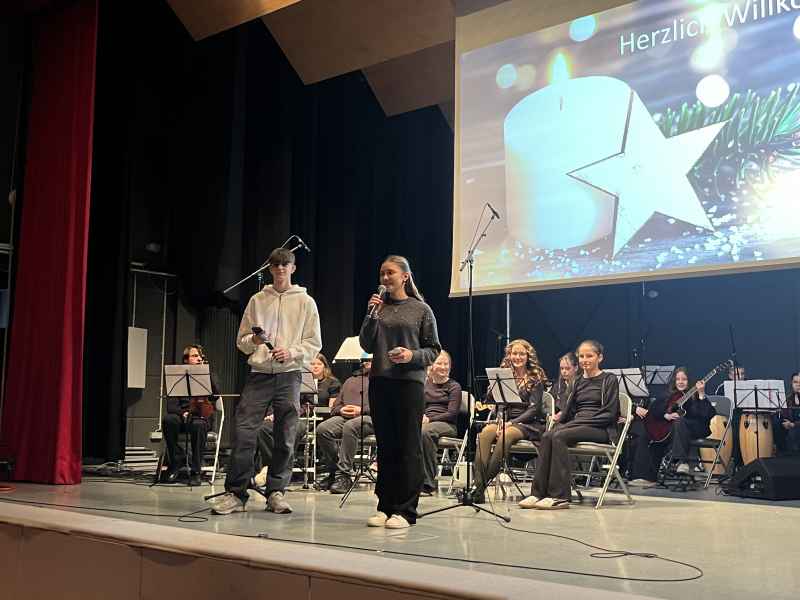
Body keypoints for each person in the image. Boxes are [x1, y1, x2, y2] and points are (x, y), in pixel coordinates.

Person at [208, 247, 321, 515]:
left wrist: (291, 352)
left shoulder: (306, 302)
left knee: (285, 435)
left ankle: (276, 492)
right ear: (269, 269)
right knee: (244, 432)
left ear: (293, 268)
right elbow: (242, 342)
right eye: (276, 265)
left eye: (285, 264)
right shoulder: (257, 300)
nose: (280, 269)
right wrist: (255, 340)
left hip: (289, 375)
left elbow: (314, 343)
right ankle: (236, 493)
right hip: (259, 374)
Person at [359, 255, 440, 529]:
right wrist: (371, 314)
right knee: (386, 446)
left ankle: (406, 510)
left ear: (405, 276)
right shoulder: (377, 307)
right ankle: (385, 505)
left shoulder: (421, 309)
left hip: (409, 384)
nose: (385, 278)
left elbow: (434, 350)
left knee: (407, 447)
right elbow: (366, 344)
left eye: (390, 273)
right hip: (380, 381)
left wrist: (410, 355)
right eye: (382, 273)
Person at [519, 339, 619, 510]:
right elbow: (568, 411)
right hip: (577, 425)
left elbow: (609, 414)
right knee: (547, 435)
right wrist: (561, 421)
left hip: (600, 428)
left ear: (600, 357)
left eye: (589, 356)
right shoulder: (577, 381)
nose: (585, 360)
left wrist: (573, 424)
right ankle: (537, 493)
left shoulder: (609, 379)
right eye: (581, 356)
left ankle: (559, 496)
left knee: (559, 436)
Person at [471, 339, 547, 503]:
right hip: (506, 419)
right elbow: (499, 403)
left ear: (528, 356)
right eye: (514, 353)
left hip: (528, 423)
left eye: (521, 354)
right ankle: (478, 487)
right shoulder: (504, 376)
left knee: (506, 435)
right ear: (509, 355)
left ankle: (479, 488)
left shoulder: (536, 378)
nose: (517, 357)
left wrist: (510, 423)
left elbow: (534, 409)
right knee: (485, 434)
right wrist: (500, 418)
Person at [254, 352, 340, 487]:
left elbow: (328, 408)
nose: (315, 366)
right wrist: (272, 414)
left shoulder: (332, 383)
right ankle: (271, 466)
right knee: (263, 428)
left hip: (311, 419)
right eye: (312, 364)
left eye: (319, 364)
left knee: (290, 430)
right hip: (287, 414)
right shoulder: (297, 379)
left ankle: (280, 470)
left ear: (325, 367)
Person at [628, 367, 714, 485]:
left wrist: (701, 394)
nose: (680, 382)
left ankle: (681, 461)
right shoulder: (669, 395)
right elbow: (654, 409)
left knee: (679, 421)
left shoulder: (696, 396)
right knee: (646, 435)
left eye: (684, 379)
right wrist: (665, 415)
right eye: (678, 379)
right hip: (670, 430)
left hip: (692, 429)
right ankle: (645, 477)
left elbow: (707, 414)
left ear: (689, 381)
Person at [162, 344, 218, 486]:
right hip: (183, 417)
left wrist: (207, 374)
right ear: (186, 360)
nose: (199, 358)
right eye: (194, 356)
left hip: (200, 416)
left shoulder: (208, 375)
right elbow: (171, 407)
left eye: (200, 356)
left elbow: (216, 396)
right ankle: (176, 461)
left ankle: (196, 470)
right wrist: (184, 413)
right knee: (169, 420)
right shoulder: (176, 377)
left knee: (198, 425)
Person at [315, 360, 374, 493]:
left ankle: (343, 475)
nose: (367, 362)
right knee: (323, 429)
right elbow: (335, 406)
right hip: (346, 417)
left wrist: (361, 410)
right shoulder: (350, 380)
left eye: (371, 359)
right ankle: (335, 472)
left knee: (350, 426)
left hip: (372, 418)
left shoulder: (383, 380)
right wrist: (341, 409)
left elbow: (386, 405)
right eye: (365, 359)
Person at [420, 350, 461, 495]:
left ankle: (428, 483)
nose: (444, 367)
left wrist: (430, 419)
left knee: (425, 432)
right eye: (440, 363)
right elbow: (419, 406)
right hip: (426, 423)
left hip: (447, 425)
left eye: (446, 364)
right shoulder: (425, 384)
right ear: (431, 365)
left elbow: (452, 413)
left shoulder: (454, 386)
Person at [779, 372, 800, 454]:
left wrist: (794, 424)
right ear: (791, 383)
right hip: (791, 428)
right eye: (795, 382)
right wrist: (786, 423)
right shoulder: (788, 399)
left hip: (796, 427)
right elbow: (785, 415)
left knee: (793, 432)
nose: (798, 385)